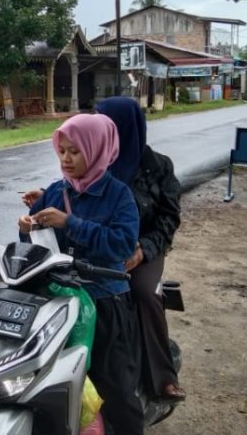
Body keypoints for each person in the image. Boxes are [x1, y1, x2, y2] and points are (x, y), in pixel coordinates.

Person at [20, 114, 143, 435]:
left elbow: (121, 245)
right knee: (49, 384)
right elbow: (37, 246)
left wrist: (69, 223)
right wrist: (27, 228)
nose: (66, 159)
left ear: (97, 149)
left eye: (75, 151)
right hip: (58, 305)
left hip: (105, 302)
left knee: (115, 389)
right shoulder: (56, 192)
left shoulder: (119, 196)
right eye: (61, 151)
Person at [95, 97, 186, 403]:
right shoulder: (93, 159)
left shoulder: (158, 166)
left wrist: (143, 251)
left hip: (143, 248)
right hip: (100, 245)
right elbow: (70, 193)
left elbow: (168, 219)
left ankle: (163, 378)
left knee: (145, 293)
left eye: (106, 124)